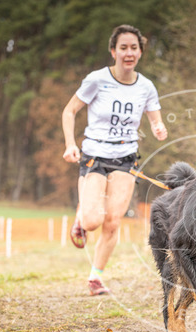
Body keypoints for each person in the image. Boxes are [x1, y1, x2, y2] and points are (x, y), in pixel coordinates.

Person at [62, 24, 168, 296]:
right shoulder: (97, 80)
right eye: (123, 48)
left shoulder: (146, 86)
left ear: (140, 52)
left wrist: (158, 128)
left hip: (125, 158)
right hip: (95, 155)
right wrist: (70, 144)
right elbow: (69, 111)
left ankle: (95, 278)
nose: (128, 53)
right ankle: (81, 218)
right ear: (113, 51)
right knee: (92, 222)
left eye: (134, 48)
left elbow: (156, 120)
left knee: (112, 222)